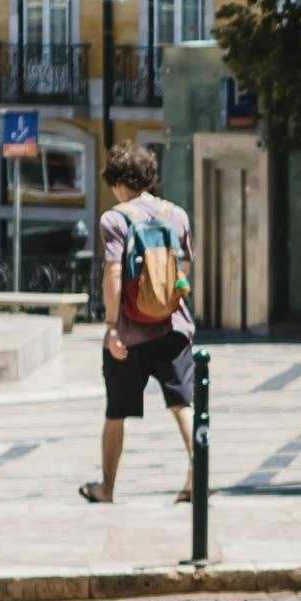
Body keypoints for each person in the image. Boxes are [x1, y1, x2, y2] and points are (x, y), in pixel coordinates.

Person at [83, 138, 194, 504]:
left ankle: (107, 489)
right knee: (184, 405)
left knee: (116, 412)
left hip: (129, 334)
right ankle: (199, 475)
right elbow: (185, 271)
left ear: (118, 181)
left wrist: (112, 327)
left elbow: (114, 274)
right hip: (174, 326)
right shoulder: (176, 215)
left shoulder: (114, 218)